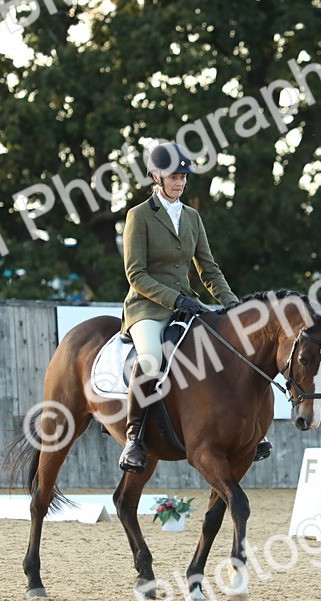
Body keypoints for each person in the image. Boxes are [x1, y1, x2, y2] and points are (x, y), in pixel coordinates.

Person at [118, 141, 272, 472]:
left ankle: (249, 431)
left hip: (188, 304)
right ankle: (134, 439)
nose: (180, 183)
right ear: (156, 177)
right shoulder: (139, 216)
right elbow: (136, 275)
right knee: (151, 358)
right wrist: (175, 299)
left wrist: (235, 308)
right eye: (174, 177)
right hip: (147, 307)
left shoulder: (192, 217)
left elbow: (209, 270)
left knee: (227, 347)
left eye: (184, 177)